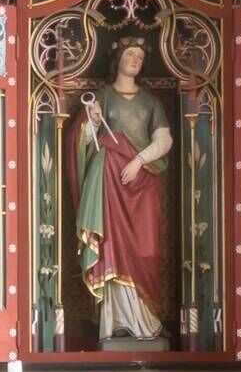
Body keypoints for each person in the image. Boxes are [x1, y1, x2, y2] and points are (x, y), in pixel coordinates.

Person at [70, 35, 174, 347]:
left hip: (141, 182)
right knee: (111, 244)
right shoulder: (102, 96)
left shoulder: (151, 101)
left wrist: (140, 160)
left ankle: (147, 322)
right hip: (109, 179)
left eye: (140, 57)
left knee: (147, 249)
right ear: (118, 58)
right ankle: (115, 323)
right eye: (130, 54)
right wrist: (92, 122)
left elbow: (164, 140)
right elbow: (82, 138)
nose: (135, 60)